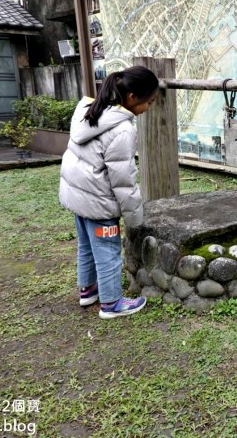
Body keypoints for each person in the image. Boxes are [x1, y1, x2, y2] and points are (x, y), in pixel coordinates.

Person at [59, 66, 159, 319]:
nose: (149, 107)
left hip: (79, 199)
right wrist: (135, 218)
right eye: (149, 102)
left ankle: (88, 290)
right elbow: (123, 180)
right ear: (132, 97)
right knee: (108, 252)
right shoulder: (122, 130)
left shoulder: (89, 111)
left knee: (86, 246)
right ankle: (112, 303)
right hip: (99, 205)